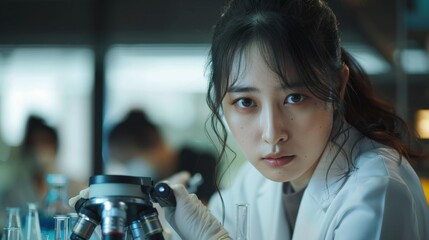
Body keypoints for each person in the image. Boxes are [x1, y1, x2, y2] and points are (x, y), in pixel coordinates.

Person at [70, 0, 429, 239]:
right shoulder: (253, 185)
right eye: (245, 102)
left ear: (338, 83)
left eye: (295, 97)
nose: (273, 134)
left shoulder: (377, 191)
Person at [106, 109, 217, 203]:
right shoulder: (150, 185)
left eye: (130, 162)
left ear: (154, 141)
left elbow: (206, 209)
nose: (131, 171)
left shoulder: (200, 162)